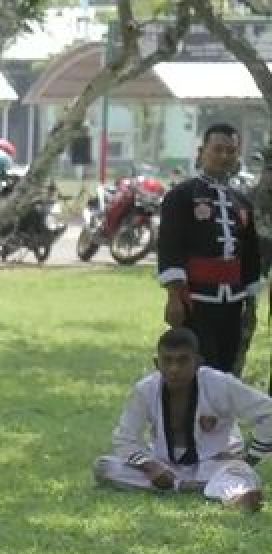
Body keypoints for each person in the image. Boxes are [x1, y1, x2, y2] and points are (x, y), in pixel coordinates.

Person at [94, 326, 272, 511]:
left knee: (239, 473)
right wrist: (151, 466)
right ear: (157, 363)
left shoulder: (221, 384)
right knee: (105, 466)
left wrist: (250, 457)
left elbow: (268, 412)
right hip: (165, 466)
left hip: (215, 463)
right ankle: (195, 487)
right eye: (167, 360)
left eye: (183, 360)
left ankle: (235, 497)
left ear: (197, 362)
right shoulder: (145, 390)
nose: (174, 369)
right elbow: (125, 438)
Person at [158, 123, 261, 375]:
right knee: (200, 368)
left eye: (230, 151)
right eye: (217, 149)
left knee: (227, 367)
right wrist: (174, 297)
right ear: (202, 151)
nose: (224, 156)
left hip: (233, 300)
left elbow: (250, 253)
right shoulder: (181, 196)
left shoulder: (242, 201)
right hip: (195, 300)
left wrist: (251, 301)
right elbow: (170, 247)